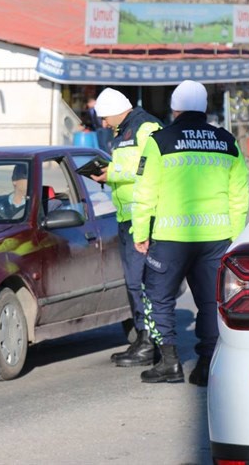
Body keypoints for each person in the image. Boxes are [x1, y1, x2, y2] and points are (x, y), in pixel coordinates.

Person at [131, 80, 249, 386]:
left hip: (171, 237)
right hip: (217, 237)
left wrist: (140, 231)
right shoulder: (227, 142)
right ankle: (207, 364)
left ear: (175, 109)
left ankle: (169, 363)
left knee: (158, 297)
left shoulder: (160, 141)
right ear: (205, 108)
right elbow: (239, 195)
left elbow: (145, 193)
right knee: (211, 301)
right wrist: (236, 237)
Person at [88, 88, 162, 367]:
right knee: (133, 283)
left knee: (142, 283)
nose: (104, 123)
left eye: (105, 117)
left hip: (144, 218)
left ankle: (151, 342)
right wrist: (107, 176)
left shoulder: (147, 127)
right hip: (126, 217)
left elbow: (152, 167)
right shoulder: (122, 132)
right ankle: (143, 338)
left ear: (116, 110)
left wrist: (113, 172)